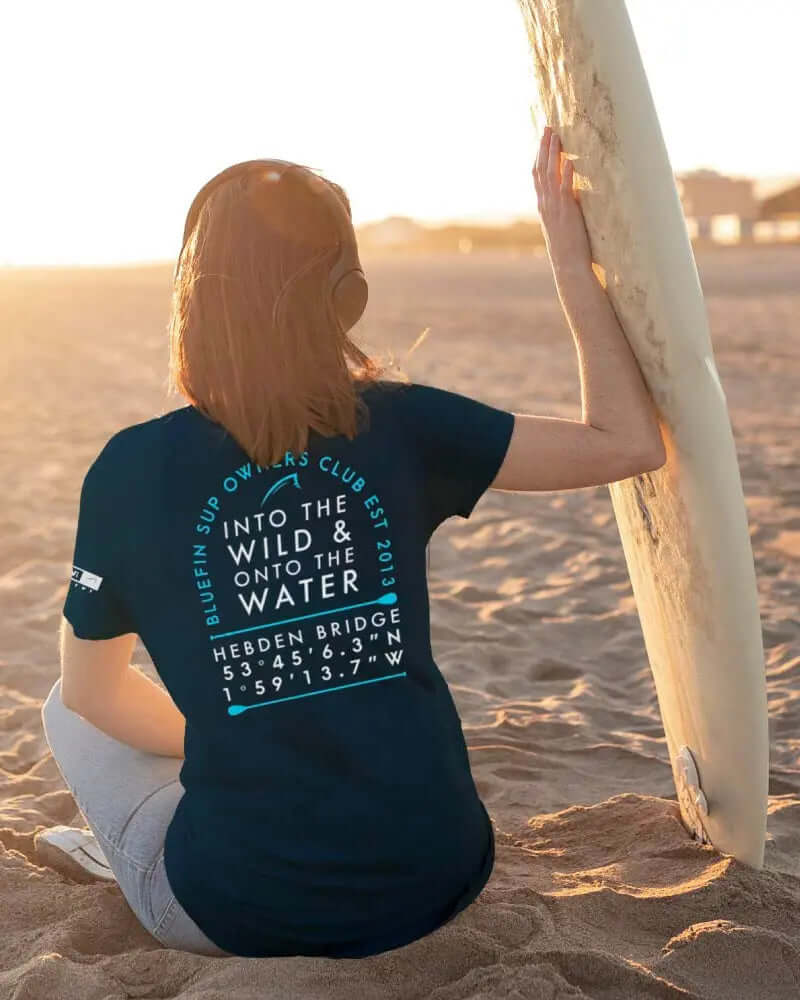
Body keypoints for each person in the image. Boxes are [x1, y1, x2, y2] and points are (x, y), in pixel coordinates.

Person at [39, 127, 666, 959]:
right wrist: (571, 262)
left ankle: (134, 856)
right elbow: (627, 443)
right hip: (441, 880)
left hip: (238, 911)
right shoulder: (402, 424)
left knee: (66, 701)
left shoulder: (128, 469)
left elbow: (94, 697)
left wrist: (242, 731)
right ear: (346, 297)